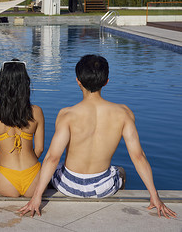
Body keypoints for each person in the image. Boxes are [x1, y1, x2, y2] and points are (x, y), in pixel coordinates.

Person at [19, 55, 177, 219]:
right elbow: (138, 156)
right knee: (120, 171)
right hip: (103, 188)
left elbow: (52, 157)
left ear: (78, 81)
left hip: (68, 186)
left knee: (56, 165)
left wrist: (36, 197)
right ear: (106, 81)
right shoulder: (123, 113)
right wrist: (154, 195)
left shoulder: (67, 114)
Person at [0, 59, 44, 197]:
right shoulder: (37, 112)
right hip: (34, 176)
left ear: (2, 83)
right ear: (25, 84)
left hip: (5, 179)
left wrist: (4, 164)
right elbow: (39, 149)